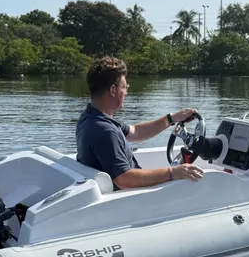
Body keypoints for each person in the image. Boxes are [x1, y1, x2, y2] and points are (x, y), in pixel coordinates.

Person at [76, 56, 204, 190]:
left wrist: (171, 119)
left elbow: (135, 132)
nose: (126, 92)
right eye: (125, 87)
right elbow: (124, 179)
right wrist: (174, 172)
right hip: (129, 200)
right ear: (113, 90)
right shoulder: (105, 131)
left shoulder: (90, 117)